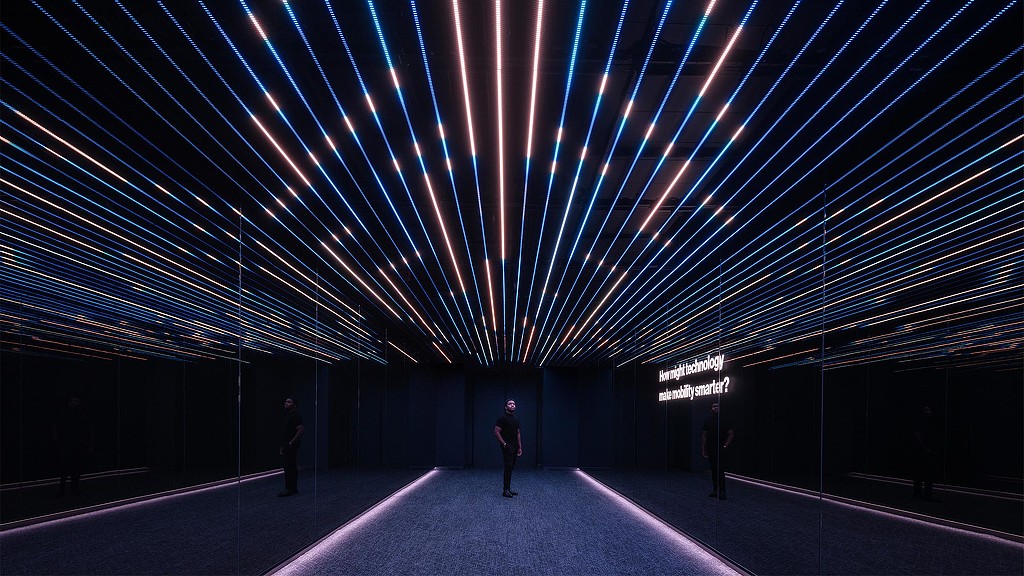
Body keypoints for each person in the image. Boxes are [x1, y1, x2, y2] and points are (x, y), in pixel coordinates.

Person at [52, 395, 94, 497]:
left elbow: (89, 430)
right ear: (68, 402)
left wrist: (88, 444)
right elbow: (56, 427)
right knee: (65, 468)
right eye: (73, 401)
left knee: (75, 469)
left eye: (76, 401)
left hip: (77, 445)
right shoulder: (63, 414)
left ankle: (73, 489)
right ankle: (64, 489)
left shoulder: (81, 415)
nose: (74, 403)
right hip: (67, 445)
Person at [701, 401, 733, 500]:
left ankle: (722, 491)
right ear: (711, 408)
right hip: (711, 448)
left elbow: (731, 433)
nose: (715, 408)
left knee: (720, 471)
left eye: (717, 406)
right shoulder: (707, 420)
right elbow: (704, 435)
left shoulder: (724, 420)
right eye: (714, 406)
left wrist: (725, 445)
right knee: (714, 470)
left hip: (720, 448)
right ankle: (715, 490)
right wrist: (704, 448)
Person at [494, 399, 522, 498]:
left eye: (514, 403)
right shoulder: (502, 418)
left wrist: (520, 447)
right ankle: (505, 490)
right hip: (507, 446)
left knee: (510, 467)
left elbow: (518, 433)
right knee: (508, 466)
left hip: (514, 446)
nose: (512, 405)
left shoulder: (516, 418)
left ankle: (508, 488)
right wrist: (504, 444)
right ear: (506, 407)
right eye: (510, 404)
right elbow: (496, 432)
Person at [911, 404, 940, 501]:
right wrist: (926, 448)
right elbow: (917, 436)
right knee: (920, 474)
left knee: (927, 475)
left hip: (926, 451)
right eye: (926, 410)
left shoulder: (931, 423)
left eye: (929, 410)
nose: (928, 412)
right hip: (921, 452)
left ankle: (925, 494)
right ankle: (918, 494)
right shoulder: (921, 423)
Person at [278, 397, 304, 497]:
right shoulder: (289, 416)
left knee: (290, 466)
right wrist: (284, 445)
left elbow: (301, 430)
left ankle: (290, 488)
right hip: (287, 444)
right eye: (286, 401)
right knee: (289, 466)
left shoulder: (295, 416)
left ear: (294, 405)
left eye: (289, 402)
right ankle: (292, 488)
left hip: (290, 444)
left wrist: (290, 443)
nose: (286, 403)